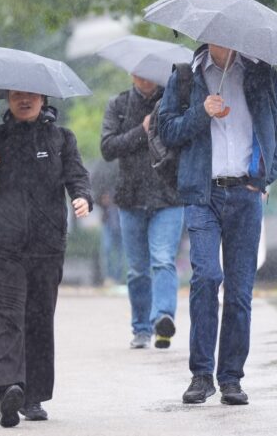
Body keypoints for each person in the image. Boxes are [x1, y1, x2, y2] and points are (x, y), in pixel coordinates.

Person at [158, 43, 277, 405]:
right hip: (203, 193)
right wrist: (200, 113)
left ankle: (231, 377)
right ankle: (201, 375)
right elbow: (166, 130)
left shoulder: (262, 74)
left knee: (238, 291)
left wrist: (266, 177)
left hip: (246, 195)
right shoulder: (186, 76)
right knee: (206, 277)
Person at [0, 90, 93, 427]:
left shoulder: (61, 138)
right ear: (7, 99)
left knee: (38, 317)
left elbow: (77, 175)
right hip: (0, 245)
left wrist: (82, 197)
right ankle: (8, 389)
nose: (23, 100)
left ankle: (32, 397)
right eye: (16, 94)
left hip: (46, 246)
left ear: (43, 98)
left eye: (30, 95)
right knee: (8, 317)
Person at [100, 74, 184, 350]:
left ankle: (163, 317)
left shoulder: (172, 102)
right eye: (139, 71)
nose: (144, 77)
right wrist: (142, 130)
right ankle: (141, 328)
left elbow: (184, 140)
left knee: (163, 260)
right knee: (137, 269)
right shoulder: (119, 104)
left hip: (168, 196)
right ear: (131, 73)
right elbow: (108, 148)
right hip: (130, 198)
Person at [91, 159, 126, 285]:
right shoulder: (104, 168)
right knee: (108, 248)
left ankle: (117, 278)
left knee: (120, 250)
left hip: (121, 216)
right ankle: (110, 278)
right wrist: (101, 199)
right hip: (109, 217)